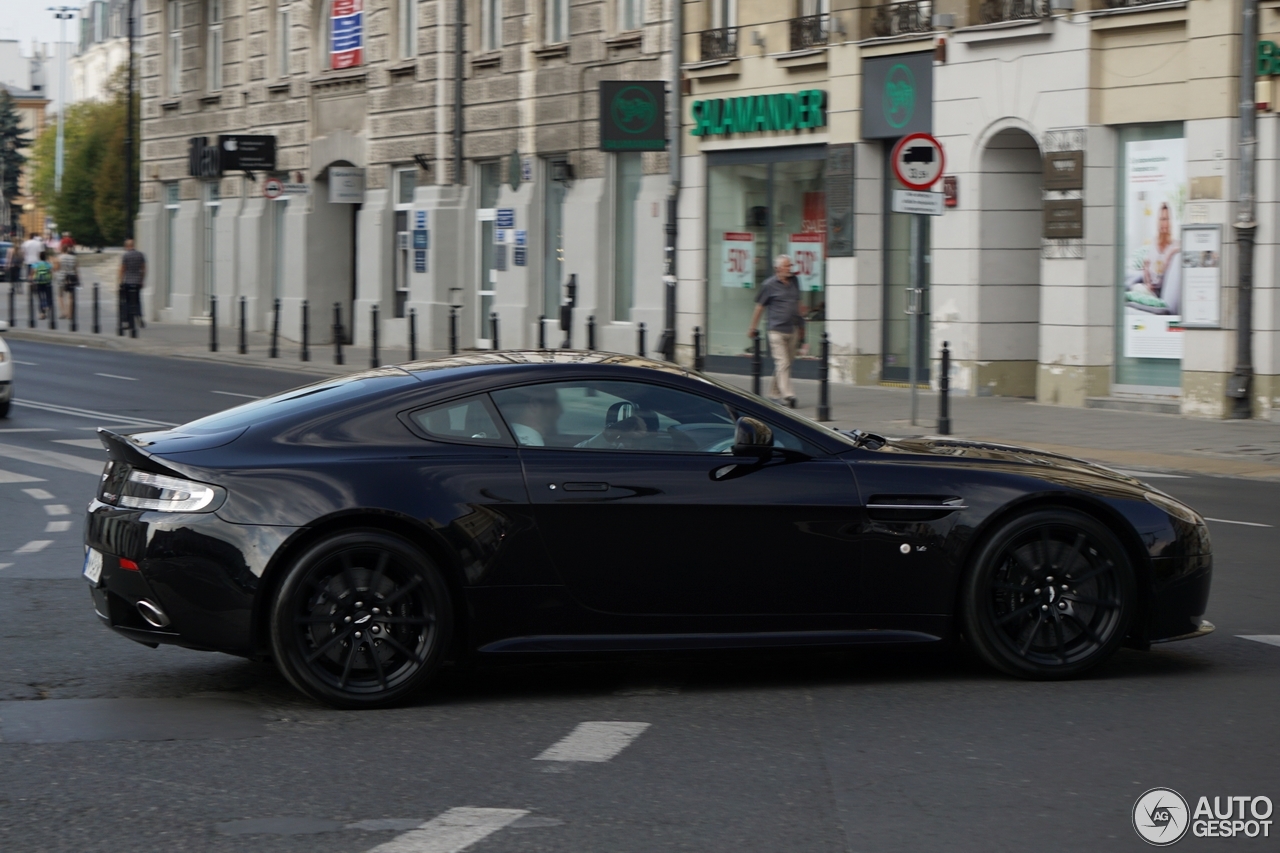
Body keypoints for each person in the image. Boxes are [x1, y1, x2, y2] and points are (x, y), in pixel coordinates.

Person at [747, 254, 806, 408]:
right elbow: (759, 307)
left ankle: (773, 394)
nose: (790, 268)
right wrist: (752, 327)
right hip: (776, 331)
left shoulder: (795, 281)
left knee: (785, 364)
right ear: (778, 269)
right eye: (787, 266)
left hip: (792, 329)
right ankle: (789, 395)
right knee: (783, 362)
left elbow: (798, 303)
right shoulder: (769, 285)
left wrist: (802, 327)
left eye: (790, 265)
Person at [118, 238, 146, 334]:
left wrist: (120, 281)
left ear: (127, 246)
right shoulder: (140, 255)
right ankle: (139, 316)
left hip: (128, 282)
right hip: (137, 281)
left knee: (127, 302)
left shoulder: (126, 256)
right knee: (137, 300)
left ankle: (128, 321)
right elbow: (143, 269)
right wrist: (142, 280)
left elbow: (122, 269)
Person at [55, 243, 79, 319]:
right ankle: (70, 314)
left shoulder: (59, 257)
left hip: (62, 278)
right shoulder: (73, 258)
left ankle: (64, 312)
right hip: (71, 278)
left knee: (60, 296)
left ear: (61, 250)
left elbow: (57, 268)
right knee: (70, 297)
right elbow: (76, 269)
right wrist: (78, 279)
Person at [30, 249, 53, 320]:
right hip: (47, 282)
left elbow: (32, 274)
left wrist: (32, 281)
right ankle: (48, 307)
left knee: (40, 298)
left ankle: (42, 314)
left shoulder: (35, 264)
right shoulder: (48, 264)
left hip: (38, 283)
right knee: (48, 297)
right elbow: (51, 273)